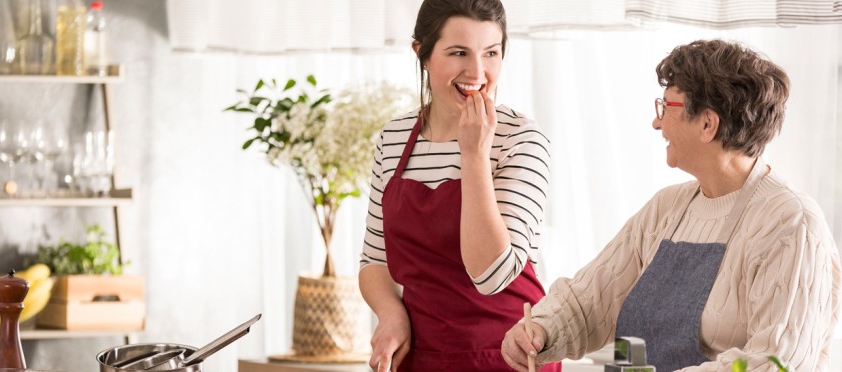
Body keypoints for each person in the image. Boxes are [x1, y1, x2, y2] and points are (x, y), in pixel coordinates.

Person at [501, 39, 841, 372]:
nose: (656, 122)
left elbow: (777, 362)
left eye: (666, 107)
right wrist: (542, 330)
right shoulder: (666, 208)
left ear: (708, 124)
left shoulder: (791, 223)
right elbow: (592, 298)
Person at [358, 0, 559, 371]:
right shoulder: (394, 138)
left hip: (509, 357)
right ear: (422, 54)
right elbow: (375, 259)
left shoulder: (521, 139)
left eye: (491, 53)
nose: (478, 72)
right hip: (422, 356)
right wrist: (391, 315)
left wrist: (475, 155)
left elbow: (493, 275)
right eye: (458, 52)